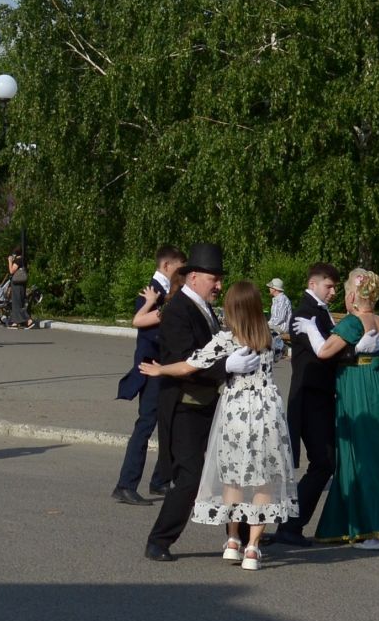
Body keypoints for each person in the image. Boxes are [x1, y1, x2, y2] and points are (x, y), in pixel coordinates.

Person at [140, 280, 294, 572]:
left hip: (235, 411)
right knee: (264, 478)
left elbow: (189, 365)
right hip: (267, 411)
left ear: (232, 309)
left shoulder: (226, 340)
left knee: (233, 476)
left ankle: (234, 540)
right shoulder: (271, 337)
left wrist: (160, 369)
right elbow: (280, 353)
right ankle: (253, 547)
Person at [314, 269, 379, 549]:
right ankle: (364, 522)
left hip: (359, 391)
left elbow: (324, 351)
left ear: (353, 296)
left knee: (364, 455)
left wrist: (311, 330)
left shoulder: (352, 323)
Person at [144, 242, 227, 561]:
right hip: (184, 406)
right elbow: (185, 360)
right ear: (194, 277)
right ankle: (159, 540)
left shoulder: (201, 306)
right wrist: (226, 368)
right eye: (213, 279)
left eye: (219, 279)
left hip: (206, 403)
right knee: (190, 476)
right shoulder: (179, 309)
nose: (218, 285)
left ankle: (243, 535)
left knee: (226, 470)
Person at [271, 263, 342, 549]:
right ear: (313, 284)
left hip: (319, 396)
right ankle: (290, 525)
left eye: (336, 286)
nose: (334, 291)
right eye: (329, 286)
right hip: (311, 397)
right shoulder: (305, 313)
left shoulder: (317, 311)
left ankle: (291, 524)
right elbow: (322, 352)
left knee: (324, 463)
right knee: (323, 463)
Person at [114, 246, 183, 507]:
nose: (183, 274)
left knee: (168, 424)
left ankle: (160, 480)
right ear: (167, 266)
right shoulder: (151, 291)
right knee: (146, 425)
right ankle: (125, 484)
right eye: (179, 268)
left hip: (163, 368)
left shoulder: (167, 292)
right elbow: (147, 334)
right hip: (151, 368)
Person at [267, 277, 293, 346]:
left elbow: (280, 318)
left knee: (261, 329)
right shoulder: (277, 299)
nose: (269, 288)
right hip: (277, 326)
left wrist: (267, 324)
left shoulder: (282, 299)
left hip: (282, 328)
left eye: (270, 287)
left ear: (275, 289)